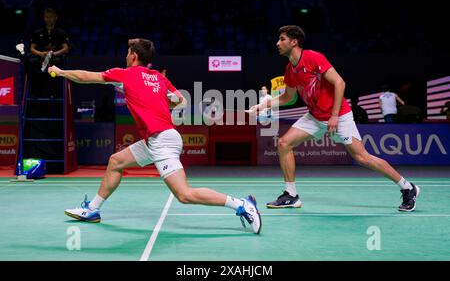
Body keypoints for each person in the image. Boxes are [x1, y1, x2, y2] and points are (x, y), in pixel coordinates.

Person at [49, 38, 261, 233]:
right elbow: (182, 101)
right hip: (156, 139)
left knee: (184, 195)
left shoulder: (124, 74)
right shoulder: (159, 77)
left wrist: (60, 72)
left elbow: (86, 77)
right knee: (116, 161)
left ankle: (241, 204)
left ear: (133, 56)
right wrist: (165, 101)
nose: (125, 55)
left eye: (127, 52)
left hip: (162, 140)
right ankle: (93, 209)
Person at [249, 25, 420, 212]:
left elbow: (339, 82)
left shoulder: (313, 57)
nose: (277, 43)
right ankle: (291, 195)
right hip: (315, 116)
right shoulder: (290, 69)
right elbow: (289, 97)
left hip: (339, 116)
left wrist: (334, 115)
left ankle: (407, 187)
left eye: (282, 39)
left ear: (294, 41)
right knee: (284, 143)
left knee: (362, 158)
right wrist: (262, 105)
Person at [26, 8, 69, 73]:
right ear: (44, 18)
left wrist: (54, 54)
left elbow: (65, 48)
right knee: (30, 61)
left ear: (56, 18)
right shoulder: (37, 32)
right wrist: (40, 53)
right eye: (47, 17)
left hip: (55, 57)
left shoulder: (61, 32)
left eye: (51, 17)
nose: (49, 19)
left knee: (57, 62)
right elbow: (32, 48)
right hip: (40, 57)